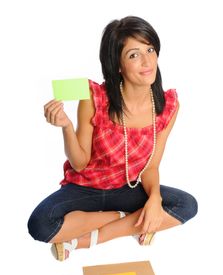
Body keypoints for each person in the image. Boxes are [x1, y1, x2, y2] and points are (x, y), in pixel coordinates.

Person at [27, 16, 198, 261]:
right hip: (86, 188)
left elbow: (151, 167)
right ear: (117, 64)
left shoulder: (168, 106)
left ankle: (85, 240)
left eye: (150, 49)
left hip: (128, 188)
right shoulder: (93, 96)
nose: (147, 61)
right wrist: (66, 126)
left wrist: (155, 198)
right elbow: (79, 163)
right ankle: (127, 219)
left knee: (187, 205)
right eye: (133, 55)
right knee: (40, 225)